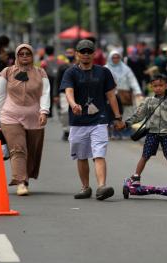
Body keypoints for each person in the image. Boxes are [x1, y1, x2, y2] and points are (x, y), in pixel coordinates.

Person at [59, 39, 125, 200]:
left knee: (99, 153)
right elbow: (68, 91)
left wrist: (117, 117)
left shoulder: (103, 72)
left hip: (99, 119)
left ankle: (102, 187)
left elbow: (111, 95)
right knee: (81, 156)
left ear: (94, 54)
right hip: (78, 120)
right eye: (83, 52)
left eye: (89, 51)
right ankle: (85, 187)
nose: (86, 54)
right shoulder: (71, 72)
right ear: (77, 54)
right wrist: (74, 104)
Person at [0, 44, 50, 196]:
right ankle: (20, 182)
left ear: (32, 56)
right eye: (21, 53)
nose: (24, 56)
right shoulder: (7, 72)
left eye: (27, 53)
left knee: (32, 151)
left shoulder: (40, 72)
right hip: (10, 116)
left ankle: (25, 178)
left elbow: (45, 93)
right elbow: (0, 94)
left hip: (34, 117)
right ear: (16, 56)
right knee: (18, 149)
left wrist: (44, 111)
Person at [125, 73, 167, 187]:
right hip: (152, 133)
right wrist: (127, 123)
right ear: (151, 87)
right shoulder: (148, 101)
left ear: (166, 86)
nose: (158, 88)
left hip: (166, 133)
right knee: (145, 156)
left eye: (161, 85)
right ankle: (136, 176)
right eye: (155, 86)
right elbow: (139, 115)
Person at [106, 50, 143, 139]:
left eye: (117, 57)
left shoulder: (126, 69)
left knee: (127, 113)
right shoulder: (105, 69)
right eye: (113, 57)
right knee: (112, 113)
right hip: (111, 95)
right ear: (110, 58)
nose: (115, 59)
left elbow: (132, 80)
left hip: (125, 95)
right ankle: (113, 132)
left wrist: (137, 92)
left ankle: (125, 132)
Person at [54, 48, 76, 141]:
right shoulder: (62, 67)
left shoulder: (79, 66)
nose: (69, 54)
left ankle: (75, 131)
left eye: (71, 53)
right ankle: (66, 131)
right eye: (68, 53)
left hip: (78, 93)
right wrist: (56, 95)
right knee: (65, 111)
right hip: (64, 93)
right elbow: (57, 81)